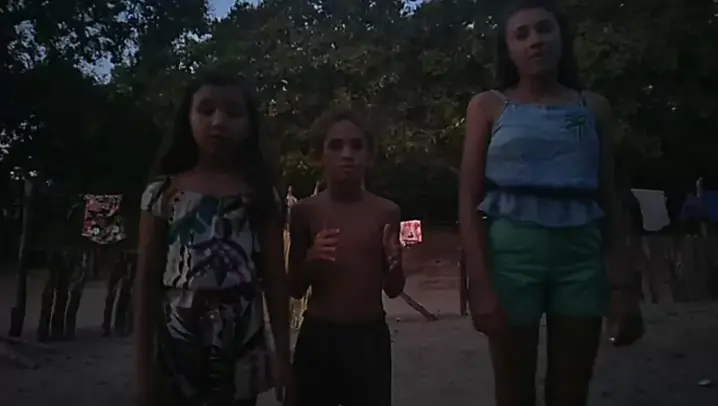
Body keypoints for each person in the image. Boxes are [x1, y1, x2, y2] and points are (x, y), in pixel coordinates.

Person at [458, 1, 639, 405]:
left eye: (544, 29)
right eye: (521, 34)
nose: (535, 41)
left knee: (571, 390)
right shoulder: (488, 106)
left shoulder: (593, 107)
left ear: (562, 37)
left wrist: (622, 281)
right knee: (513, 390)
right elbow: (468, 198)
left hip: (581, 255)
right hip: (510, 256)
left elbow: (609, 194)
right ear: (508, 49)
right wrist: (479, 284)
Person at [134, 71, 292, 406]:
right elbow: (146, 279)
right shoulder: (163, 193)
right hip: (178, 344)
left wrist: (282, 354)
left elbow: (275, 279)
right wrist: (143, 366)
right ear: (187, 117)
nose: (218, 121)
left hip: (241, 342)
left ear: (249, 124)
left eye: (233, 112)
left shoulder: (261, 196)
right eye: (206, 110)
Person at [288, 107, 405, 406]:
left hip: (369, 337)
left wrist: (394, 263)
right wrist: (312, 259)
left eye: (356, 146)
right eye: (336, 146)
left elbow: (393, 289)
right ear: (320, 155)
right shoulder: (304, 212)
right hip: (319, 334)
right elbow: (295, 287)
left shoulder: (386, 212)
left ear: (370, 156)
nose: (347, 155)